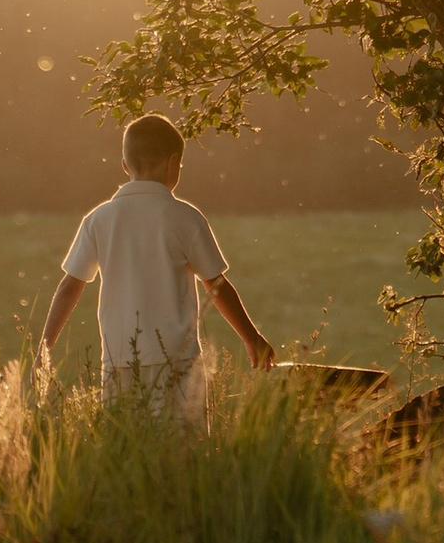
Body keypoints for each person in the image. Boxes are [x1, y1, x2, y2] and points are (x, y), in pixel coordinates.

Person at [39, 112, 275, 415]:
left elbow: (69, 286)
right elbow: (216, 285)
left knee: (125, 449)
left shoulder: (98, 219)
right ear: (173, 161)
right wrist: (251, 337)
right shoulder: (185, 217)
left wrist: (43, 350)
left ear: (125, 165)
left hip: (120, 359)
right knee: (183, 451)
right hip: (177, 361)